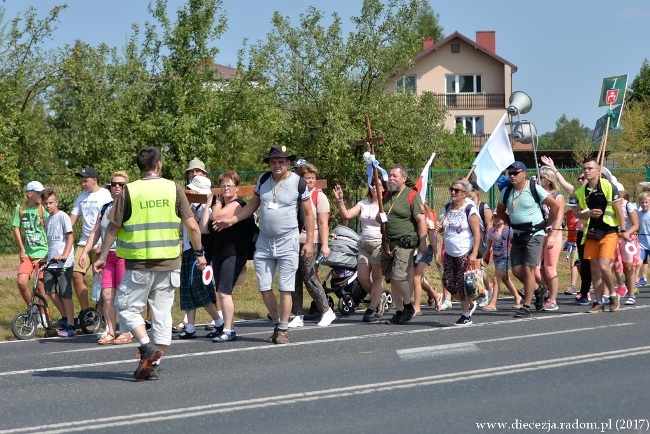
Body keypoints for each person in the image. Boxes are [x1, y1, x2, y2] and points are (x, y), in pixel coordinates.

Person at [94, 146, 207, 381]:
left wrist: (103, 256)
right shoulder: (173, 188)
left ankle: (146, 347)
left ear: (140, 167)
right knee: (162, 315)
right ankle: (153, 364)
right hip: (169, 263)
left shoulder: (130, 191)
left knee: (125, 307)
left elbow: (113, 227)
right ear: (159, 165)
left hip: (139, 263)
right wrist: (200, 254)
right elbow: (193, 226)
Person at [213, 145, 314, 345]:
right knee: (264, 287)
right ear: (269, 163)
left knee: (285, 288)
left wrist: (309, 242)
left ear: (288, 164)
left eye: (282, 162)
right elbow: (251, 206)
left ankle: (283, 329)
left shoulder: (298, 183)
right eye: (274, 161)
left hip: (288, 240)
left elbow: (309, 214)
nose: (277, 165)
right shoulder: (263, 180)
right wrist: (232, 220)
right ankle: (277, 323)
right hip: (265, 241)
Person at [495, 161, 560, 319]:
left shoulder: (533, 188)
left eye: (515, 173)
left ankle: (526, 306)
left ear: (524, 173)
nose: (512, 176)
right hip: (517, 234)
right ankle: (538, 290)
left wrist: (547, 224)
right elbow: (500, 211)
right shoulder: (507, 191)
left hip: (534, 233)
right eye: (510, 173)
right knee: (516, 270)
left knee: (528, 269)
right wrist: (510, 222)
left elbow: (555, 206)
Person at [570, 158, 628, 313]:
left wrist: (622, 230)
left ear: (598, 170)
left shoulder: (608, 186)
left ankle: (613, 295)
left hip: (609, 231)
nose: (586, 171)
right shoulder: (582, 191)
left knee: (604, 265)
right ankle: (598, 301)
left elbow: (618, 210)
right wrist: (587, 213)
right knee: (594, 268)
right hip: (591, 233)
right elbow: (578, 215)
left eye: (590, 168)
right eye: (584, 169)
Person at [199, 171, 252, 342]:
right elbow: (204, 228)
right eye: (223, 185)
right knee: (220, 292)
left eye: (229, 185)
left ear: (237, 187)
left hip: (234, 253)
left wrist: (217, 204)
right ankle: (225, 327)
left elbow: (218, 216)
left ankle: (229, 330)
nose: (226, 188)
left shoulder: (239, 203)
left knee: (224, 291)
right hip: (218, 253)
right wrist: (208, 204)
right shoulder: (218, 205)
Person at [79, 171, 131, 345]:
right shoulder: (105, 207)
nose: (117, 187)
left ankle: (125, 330)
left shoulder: (131, 208)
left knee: (123, 295)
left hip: (124, 255)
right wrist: (85, 252)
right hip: (107, 256)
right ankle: (110, 330)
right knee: (107, 294)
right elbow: (95, 232)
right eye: (114, 184)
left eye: (121, 185)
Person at [288, 163, 336, 328]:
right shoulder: (295, 195)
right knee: (294, 278)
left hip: (312, 240)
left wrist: (325, 245)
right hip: (294, 241)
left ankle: (326, 310)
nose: (310, 181)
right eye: (306, 178)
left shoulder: (318, 196)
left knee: (309, 276)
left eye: (312, 178)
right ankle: (297, 314)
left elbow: (323, 223)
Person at [176, 172, 223, 340]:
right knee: (187, 289)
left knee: (200, 289)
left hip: (201, 253)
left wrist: (208, 204)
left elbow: (204, 229)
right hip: (188, 250)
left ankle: (219, 322)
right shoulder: (189, 206)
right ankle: (190, 327)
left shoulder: (207, 207)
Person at [334, 181, 388, 322]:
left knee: (377, 278)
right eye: (373, 184)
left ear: (384, 188)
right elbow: (346, 215)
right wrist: (340, 201)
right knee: (363, 278)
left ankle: (372, 308)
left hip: (379, 244)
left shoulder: (387, 204)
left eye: (378, 184)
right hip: (364, 245)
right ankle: (379, 298)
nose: (375, 187)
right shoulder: (363, 203)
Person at [380, 165, 428, 325]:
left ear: (404, 178)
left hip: (405, 242)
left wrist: (423, 242)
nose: (391, 178)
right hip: (388, 242)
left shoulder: (412, 195)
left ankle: (408, 306)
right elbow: (378, 217)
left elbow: (421, 220)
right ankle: (399, 311)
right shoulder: (386, 195)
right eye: (390, 176)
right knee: (392, 279)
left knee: (399, 276)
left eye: (394, 176)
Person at [434, 180, 481, 325]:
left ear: (465, 194)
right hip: (449, 252)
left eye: (457, 190)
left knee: (462, 285)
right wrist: (438, 227)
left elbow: (477, 233)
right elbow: (443, 227)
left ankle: (466, 315)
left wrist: (473, 254)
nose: (453, 192)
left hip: (464, 252)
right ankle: (470, 301)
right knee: (448, 283)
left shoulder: (469, 209)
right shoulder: (448, 207)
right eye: (451, 189)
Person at [70, 167, 112, 311]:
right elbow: (72, 221)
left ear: (94, 180)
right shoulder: (81, 198)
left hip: (101, 242)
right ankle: (86, 312)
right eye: (81, 180)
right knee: (76, 274)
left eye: (85, 180)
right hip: (84, 242)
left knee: (99, 280)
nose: (82, 183)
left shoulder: (106, 194)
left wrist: (105, 242)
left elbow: (110, 220)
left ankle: (100, 314)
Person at [40, 189, 77, 338]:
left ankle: (71, 326)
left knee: (65, 294)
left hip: (64, 263)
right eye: (45, 204)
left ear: (56, 202)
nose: (48, 206)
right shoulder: (47, 220)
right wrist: (45, 258)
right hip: (51, 262)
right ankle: (64, 318)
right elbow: (51, 243)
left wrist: (64, 255)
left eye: (50, 203)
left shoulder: (63, 217)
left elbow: (69, 237)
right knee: (49, 290)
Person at [12, 181, 49, 309]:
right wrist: (22, 248)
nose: (42, 195)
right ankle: (32, 309)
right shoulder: (20, 208)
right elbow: (16, 228)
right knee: (21, 282)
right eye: (39, 193)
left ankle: (44, 316)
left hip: (43, 252)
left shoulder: (43, 208)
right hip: (28, 253)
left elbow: (52, 225)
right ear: (30, 193)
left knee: (40, 285)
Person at [536, 166, 566, 311]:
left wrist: (553, 236)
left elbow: (559, 218)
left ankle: (553, 299)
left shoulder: (557, 197)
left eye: (540, 177)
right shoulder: (538, 195)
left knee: (549, 268)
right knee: (535, 268)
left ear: (548, 180)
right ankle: (545, 289)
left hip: (553, 231)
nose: (538, 180)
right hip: (539, 232)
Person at [482, 214, 521, 310]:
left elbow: (516, 242)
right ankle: (517, 296)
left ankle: (493, 303)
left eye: (500, 216)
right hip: (497, 257)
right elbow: (488, 246)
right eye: (495, 217)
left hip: (506, 257)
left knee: (496, 278)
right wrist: (483, 258)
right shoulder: (491, 231)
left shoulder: (508, 230)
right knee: (505, 279)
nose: (497, 218)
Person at [412, 202, 440, 315]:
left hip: (426, 248)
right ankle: (436, 295)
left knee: (416, 277)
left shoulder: (429, 214)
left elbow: (433, 238)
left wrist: (437, 256)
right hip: (413, 249)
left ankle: (417, 306)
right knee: (420, 279)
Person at [468, 181, 493, 307]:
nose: (468, 193)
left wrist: (489, 245)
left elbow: (489, 226)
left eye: (470, 191)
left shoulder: (483, 207)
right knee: (476, 271)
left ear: (476, 192)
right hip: (469, 242)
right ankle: (487, 289)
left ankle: (484, 293)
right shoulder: (466, 207)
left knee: (477, 271)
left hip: (482, 243)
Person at [614, 188, 640, 305]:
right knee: (614, 264)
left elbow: (636, 225)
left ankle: (631, 294)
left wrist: (626, 233)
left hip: (627, 238)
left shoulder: (628, 206)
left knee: (628, 266)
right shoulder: (610, 205)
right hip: (614, 237)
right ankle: (621, 285)